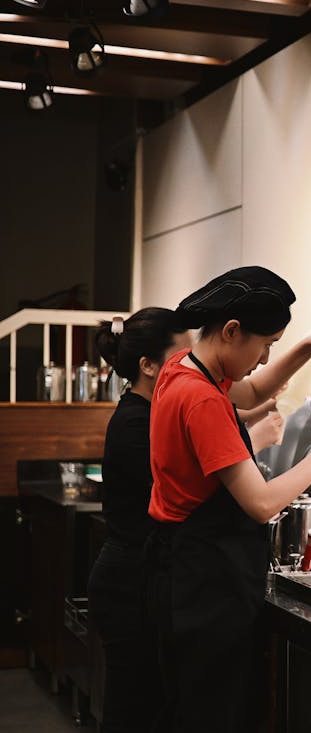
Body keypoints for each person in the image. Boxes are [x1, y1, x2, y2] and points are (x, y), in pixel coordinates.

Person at [146, 266, 311, 732]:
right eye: (265, 344)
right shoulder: (203, 401)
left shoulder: (184, 369)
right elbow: (262, 502)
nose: (264, 356)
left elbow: (254, 388)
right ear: (232, 332)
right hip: (203, 589)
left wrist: (309, 345)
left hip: (178, 574)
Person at [86, 308, 190, 733]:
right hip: (125, 584)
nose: (189, 368)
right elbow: (177, 488)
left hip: (140, 578)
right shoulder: (133, 420)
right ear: (148, 366)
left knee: (145, 703)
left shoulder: (154, 412)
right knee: (132, 708)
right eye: (181, 359)